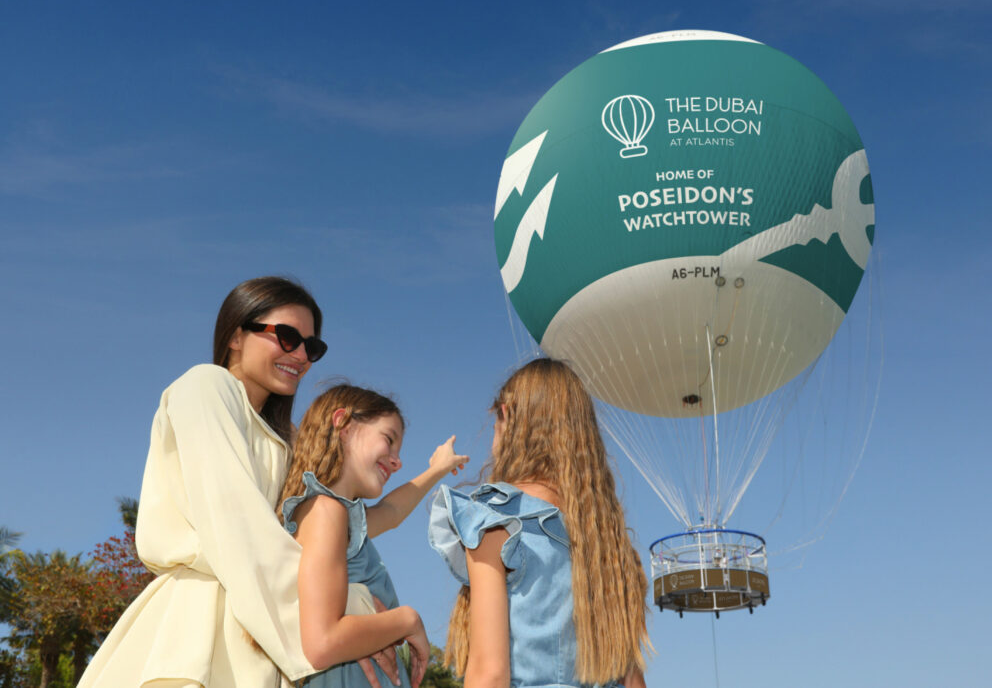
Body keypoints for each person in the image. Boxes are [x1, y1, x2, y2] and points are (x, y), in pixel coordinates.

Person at [78, 276, 391, 688]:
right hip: (197, 631)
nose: (300, 355)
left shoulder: (288, 443)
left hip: (262, 639)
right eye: (286, 337)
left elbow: (328, 532)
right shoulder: (206, 386)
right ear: (236, 336)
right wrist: (339, 606)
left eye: (311, 347)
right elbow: (237, 525)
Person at [428, 358, 650, 688]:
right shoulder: (608, 543)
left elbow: (490, 674)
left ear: (507, 417)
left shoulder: (492, 519)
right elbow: (633, 681)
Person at [277, 382, 468, 688]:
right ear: (343, 425)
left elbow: (392, 512)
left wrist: (438, 469)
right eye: (388, 440)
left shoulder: (334, 515)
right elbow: (321, 643)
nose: (397, 460)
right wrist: (407, 621)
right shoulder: (326, 511)